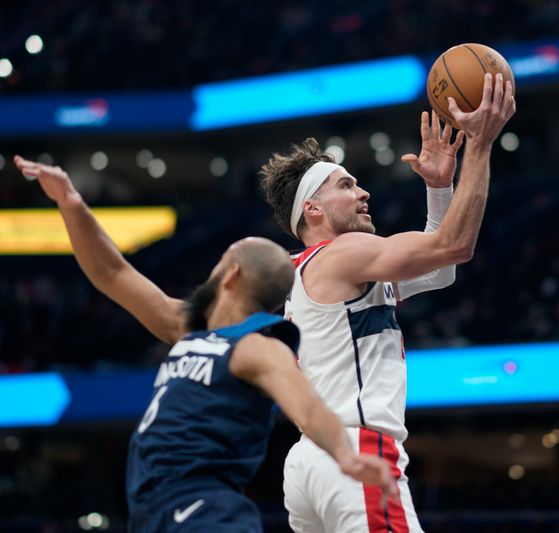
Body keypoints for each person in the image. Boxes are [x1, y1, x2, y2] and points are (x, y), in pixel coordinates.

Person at [14, 155, 399, 532]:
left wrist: (347, 457)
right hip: (152, 509)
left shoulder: (258, 347)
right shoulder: (188, 327)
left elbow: (310, 407)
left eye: (219, 263)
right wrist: (71, 204)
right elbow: (112, 273)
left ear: (230, 275)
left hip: (205, 507)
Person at [259, 73, 515, 532]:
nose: (363, 192)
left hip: (308, 463)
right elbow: (454, 246)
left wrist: (439, 190)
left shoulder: (311, 268)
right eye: (345, 184)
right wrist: (480, 143)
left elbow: (439, 272)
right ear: (312, 210)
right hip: (355, 451)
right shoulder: (344, 254)